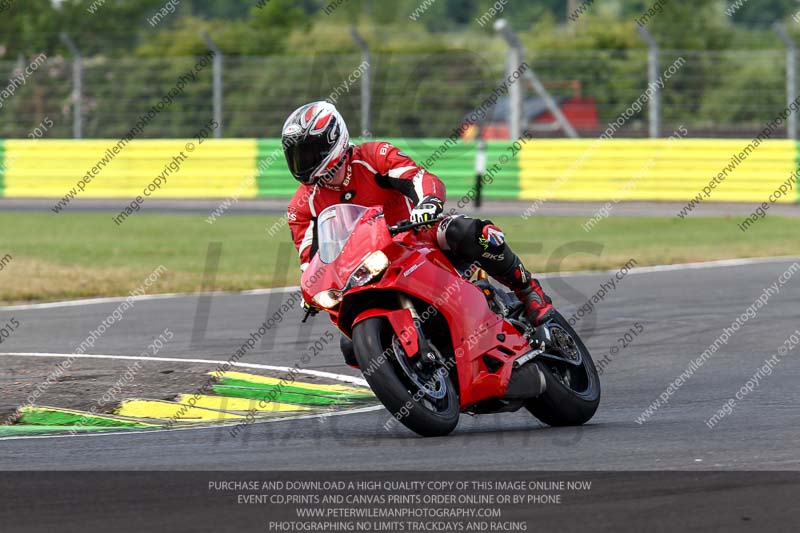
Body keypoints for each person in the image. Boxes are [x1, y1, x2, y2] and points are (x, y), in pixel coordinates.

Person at [282, 101, 554, 331]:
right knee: (351, 348)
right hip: (364, 268)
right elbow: (310, 260)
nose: (301, 161)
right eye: (294, 154)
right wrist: (310, 289)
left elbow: (419, 177)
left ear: (332, 140)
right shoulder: (301, 205)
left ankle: (528, 291)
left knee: (468, 232)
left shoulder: (373, 155)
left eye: (307, 152)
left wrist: (428, 203)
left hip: (416, 236)